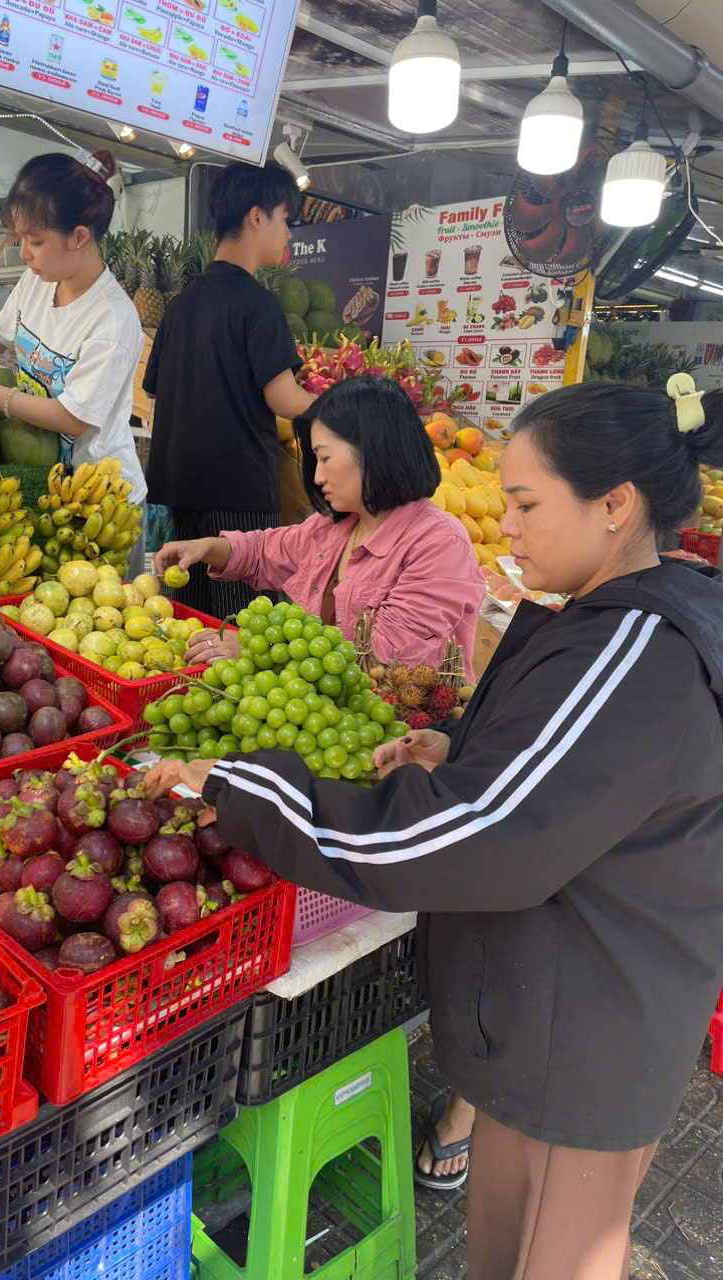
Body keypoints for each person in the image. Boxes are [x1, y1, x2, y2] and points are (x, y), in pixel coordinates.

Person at [142, 377, 723, 1280]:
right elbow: (556, 781)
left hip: (580, 1047)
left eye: (526, 503)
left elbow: (477, 836)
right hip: (565, 1023)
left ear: (615, 505)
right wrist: (453, 746)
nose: (512, 526)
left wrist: (256, 793)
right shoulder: (617, 618)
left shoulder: (632, 652)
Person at [0, 149, 147, 579]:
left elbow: (72, 419)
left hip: (104, 503)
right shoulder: (38, 283)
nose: (25, 253)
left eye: (35, 241)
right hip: (48, 486)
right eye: (20, 238)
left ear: (78, 236)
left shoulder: (111, 320)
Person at [155, 377, 484, 678]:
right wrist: (206, 548)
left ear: (374, 450)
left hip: (403, 731)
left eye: (324, 458)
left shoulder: (439, 544)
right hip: (324, 711)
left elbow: (384, 658)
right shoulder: (336, 526)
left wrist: (259, 651)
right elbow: (264, 551)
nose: (317, 477)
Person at [143, 161, 315, 617]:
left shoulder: (180, 306)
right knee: (241, 624)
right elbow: (284, 400)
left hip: (179, 486)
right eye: (285, 220)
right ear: (257, 217)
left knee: (190, 617)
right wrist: (345, 404)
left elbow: (155, 389)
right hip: (238, 490)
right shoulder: (259, 306)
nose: (288, 235)